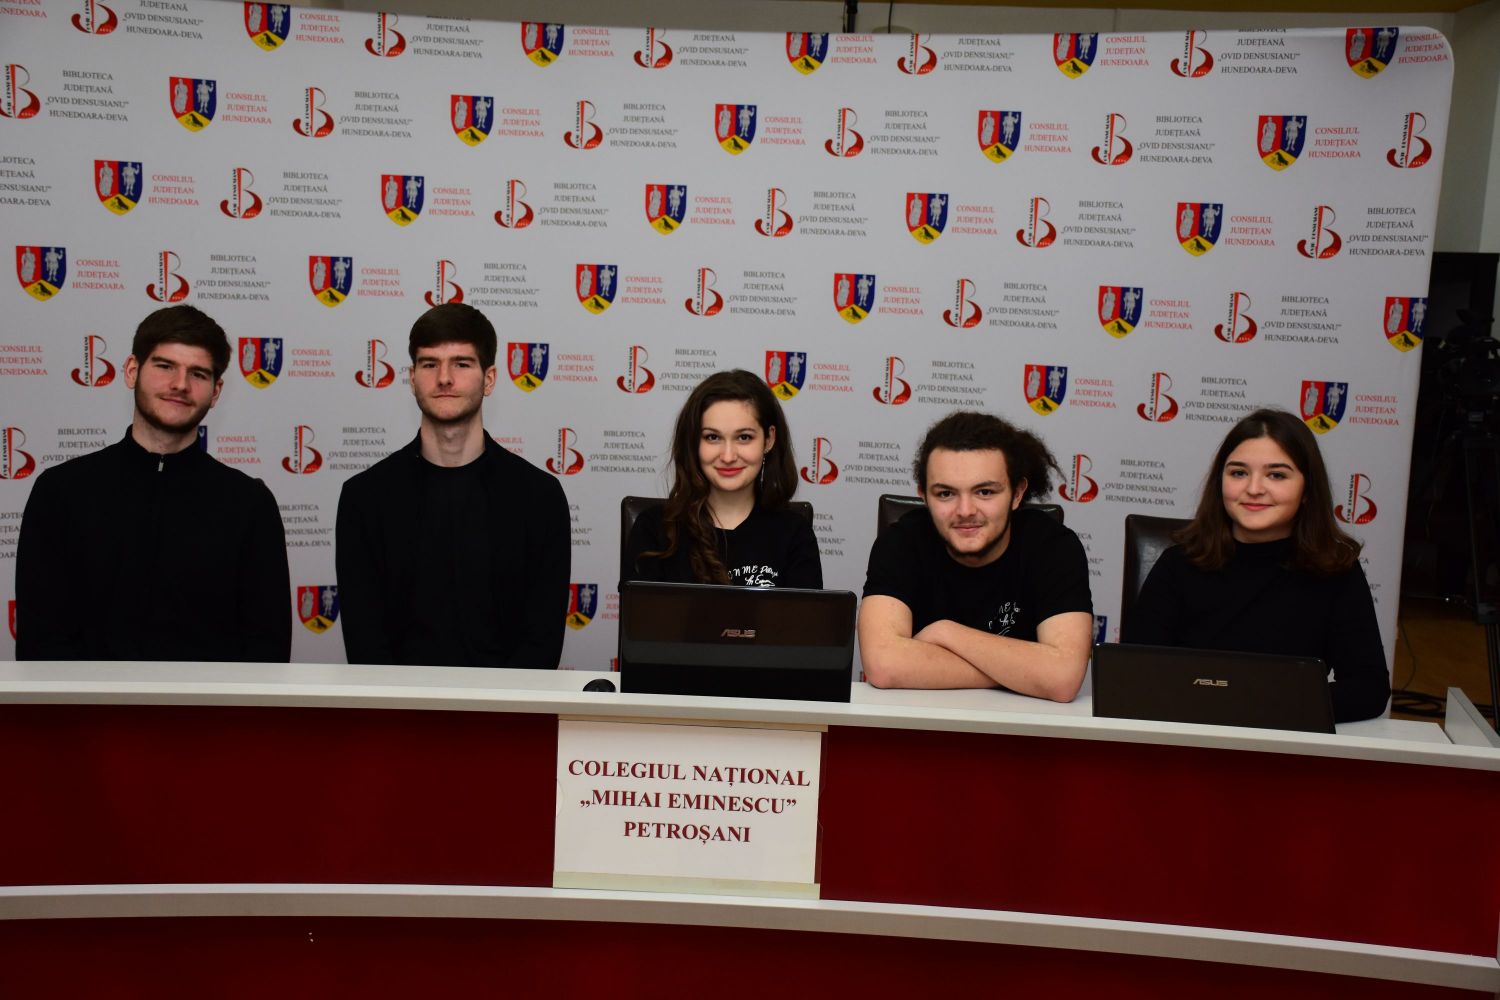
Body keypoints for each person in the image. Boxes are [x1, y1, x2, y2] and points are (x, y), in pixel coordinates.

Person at [15, 304, 290, 661]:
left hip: (209, 700)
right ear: (132, 371)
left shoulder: (249, 504)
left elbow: (267, 650)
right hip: (87, 699)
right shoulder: (60, 492)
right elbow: (40, 642)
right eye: (165, 366)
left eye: (198, 374)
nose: (180, 384)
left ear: (215, 391)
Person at [336, 302, 569, 668]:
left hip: (507, 703)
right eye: (430, 364)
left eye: (461, 363)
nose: (444, 378)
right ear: (412, 378)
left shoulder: (540, 498)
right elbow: (365, 644)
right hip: (397, 703)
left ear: (489, 379)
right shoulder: (364, 499)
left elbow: (542, 642)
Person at [1123, 408, 1390, 722]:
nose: (1253, 489)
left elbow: (1368, 689)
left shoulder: (1336, 571)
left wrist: (1258, 706)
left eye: (1276, 475)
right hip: (1191, 735)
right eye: (1238, 473)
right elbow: (1132, 675)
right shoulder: (1178, 564)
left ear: (1307, 490)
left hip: (1286, 741)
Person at [859, 411, 1093, 699]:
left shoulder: (1054, 546)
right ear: (924, 496)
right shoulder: (901, 542)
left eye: (985, 492)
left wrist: (945, 632)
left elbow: (1062, 678)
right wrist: (1020, 674)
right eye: (946, 494)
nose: (965, 511)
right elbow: (884, 666)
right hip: (919, 721)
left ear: (1017, 493)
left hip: (1021, 724)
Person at [622, 369, 821, 589]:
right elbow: (639, 612)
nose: (728, 456)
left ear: (768, 440)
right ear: (694, 443)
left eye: (744, 437)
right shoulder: (653, 529)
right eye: (712, 437)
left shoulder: (794, 534)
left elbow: (806, 613)